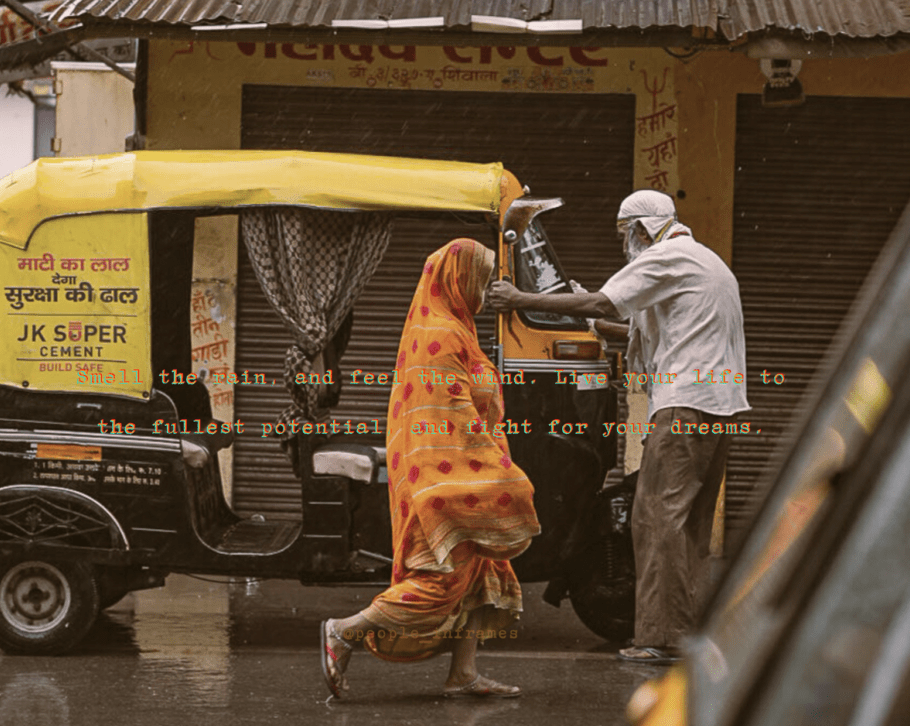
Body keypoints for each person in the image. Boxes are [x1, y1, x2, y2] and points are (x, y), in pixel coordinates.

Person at [486, 190, 750, 665]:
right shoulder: (701, 260)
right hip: (716, 408)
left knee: (654, 519)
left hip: (684, 407)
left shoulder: (666, 256)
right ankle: (685, 631)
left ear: (643, 229)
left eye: (623, 234)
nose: (623, 244)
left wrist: (518, 297)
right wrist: (602, 329)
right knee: (687, 524)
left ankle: (657, 639)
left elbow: (605, 303)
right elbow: (652, 329)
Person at [321, 238, 541, 698]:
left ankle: (463, 674)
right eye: (481, 277)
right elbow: (447, 415)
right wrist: (496, 468)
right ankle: (344, 630)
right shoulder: (439, 334)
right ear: (458, 278)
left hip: (462, 476)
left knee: (485, 574)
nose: (488, 287)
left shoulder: (456, 327)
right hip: (444, 480)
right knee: (437, 585)